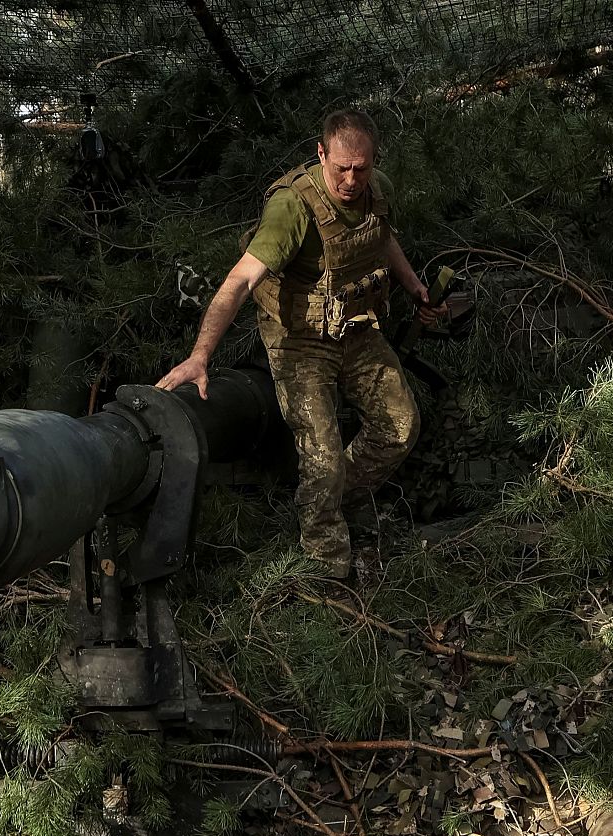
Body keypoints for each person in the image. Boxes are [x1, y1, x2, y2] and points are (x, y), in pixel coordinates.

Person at [156, 109, 446, 579]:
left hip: (355, 326)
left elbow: (382, 237)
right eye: (341, 168)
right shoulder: (293, 207)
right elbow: (239, 281)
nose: (351, 180)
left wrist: (415, 288)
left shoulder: (377, 190)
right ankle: (325, 568)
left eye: (361, 168)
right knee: (322, 456)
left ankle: (328, 501)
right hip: (300, 339)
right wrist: (200, 356)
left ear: (373, 160)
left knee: (399, 426)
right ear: (321, 154)